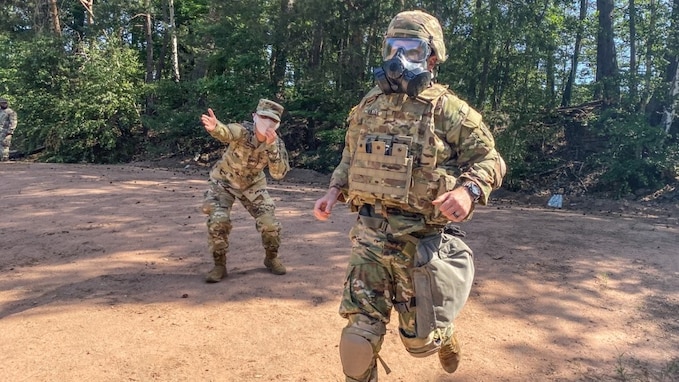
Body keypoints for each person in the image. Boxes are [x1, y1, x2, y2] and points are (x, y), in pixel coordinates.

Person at [313, 10, 507, 381]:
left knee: (421, 343)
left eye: (412, 51)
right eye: (392, 48)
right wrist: (334, 190)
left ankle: (443, 333)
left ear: (432, 58)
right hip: (369, 237)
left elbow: (491, 159)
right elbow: (351, 154)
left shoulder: (448, 110)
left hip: (419, 243)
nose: (399, 60)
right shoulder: (368, 104)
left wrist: (468, 191)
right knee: (357, 341)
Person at [199, 98, 290, 283]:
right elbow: (227, 132)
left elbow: (279, 173)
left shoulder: (277, 144)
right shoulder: (243, 131)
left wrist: (272, 147)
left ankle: (271, 258)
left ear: (278, 124)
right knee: (219, 221)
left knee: (270, 224)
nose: (267, 123)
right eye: (264, 117)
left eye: (272, 120)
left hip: (252, 185)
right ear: (254, 117)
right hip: (224, 181)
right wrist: (216, 128)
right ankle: (219, 265)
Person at [0, 97, 18, 162]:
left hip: (6, 132)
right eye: (2, 103)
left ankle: (5, 159)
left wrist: (10, 131)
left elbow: (13, 122)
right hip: (0, 131)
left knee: (5, 145)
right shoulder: (0, 111)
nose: (3, 104)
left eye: (5, 103)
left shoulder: (11, 112)